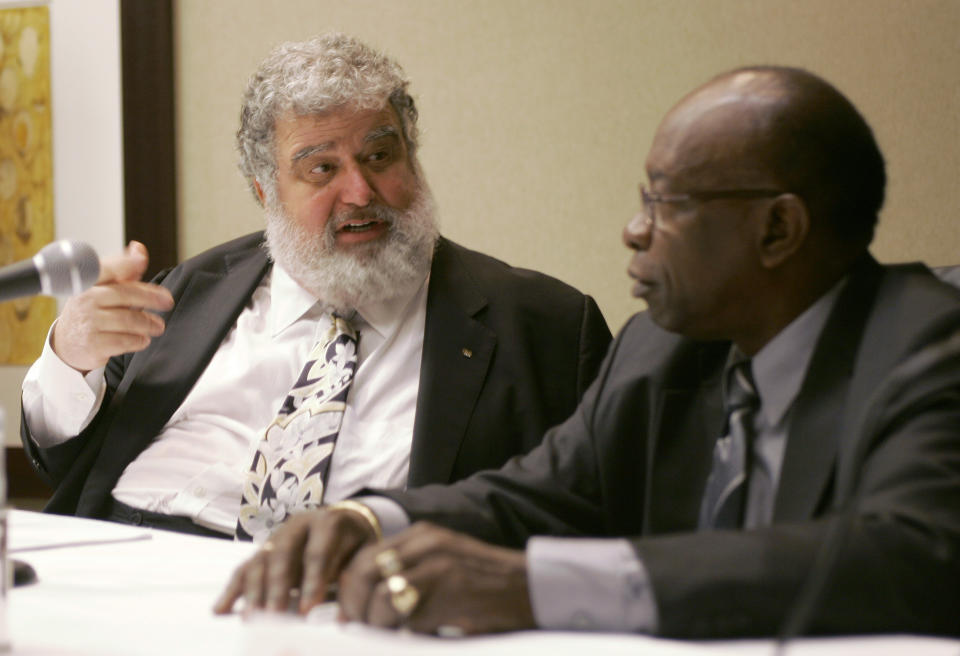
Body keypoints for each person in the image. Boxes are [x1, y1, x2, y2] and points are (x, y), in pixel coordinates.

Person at [214, 65, 960, 638]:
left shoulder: (930, 347)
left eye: (664, 205)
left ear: (776, 230)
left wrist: (537, 585)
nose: (633, 232)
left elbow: (909, 556)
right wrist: (370, 521)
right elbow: (536, 492)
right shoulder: (661, 349)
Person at [19, 33, 611, 540]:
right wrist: (71, 356)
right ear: (264, 190)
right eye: (321, 168)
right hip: (129, 576)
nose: (359, 191)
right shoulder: (189, 291)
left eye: (380, 154)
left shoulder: (544, 324)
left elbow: (593, 516)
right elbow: (63, 462)